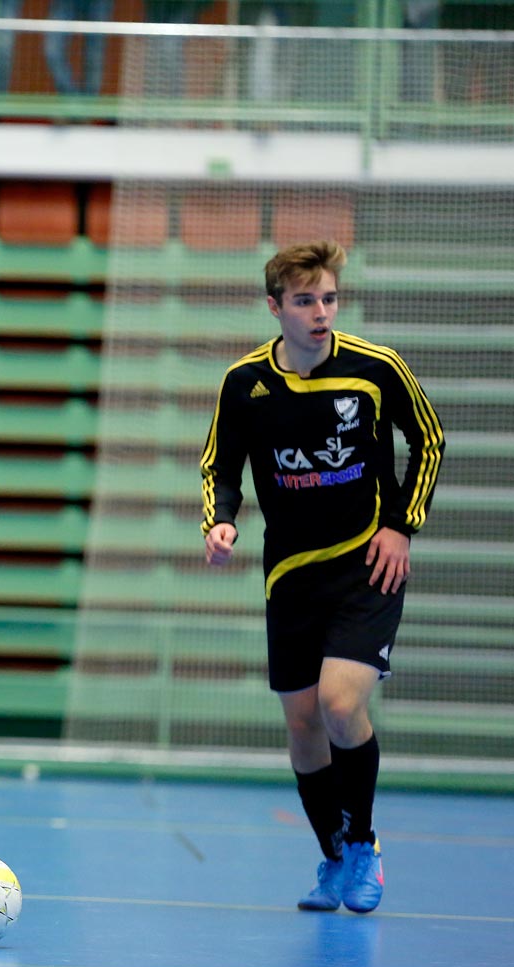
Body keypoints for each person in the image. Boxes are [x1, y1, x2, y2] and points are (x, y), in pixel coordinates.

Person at [200, 240, 445, 915]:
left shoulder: (375, 368)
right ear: (275, 306)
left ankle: (365, 847)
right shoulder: (244, 383)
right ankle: (333, 858)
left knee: (341, 706)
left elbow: (429, 438)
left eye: (329, 299)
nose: (320, 313)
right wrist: (220, 521)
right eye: (305, 301)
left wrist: (402, 525)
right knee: (304, 727)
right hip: (291, 575)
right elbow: (219, 466)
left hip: (368, 563)